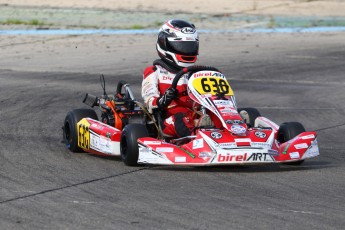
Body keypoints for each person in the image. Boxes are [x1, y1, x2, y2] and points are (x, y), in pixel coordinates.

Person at [141, 19, 199, 138]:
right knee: (181, 119)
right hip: (168, 120)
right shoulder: (154, 71)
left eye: (190, 46)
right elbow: (150, 101)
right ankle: (200, 138)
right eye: (181, 46)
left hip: (196, 116)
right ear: (165, 44)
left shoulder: (197, 73)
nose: (187, 51)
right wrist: (164, 99)